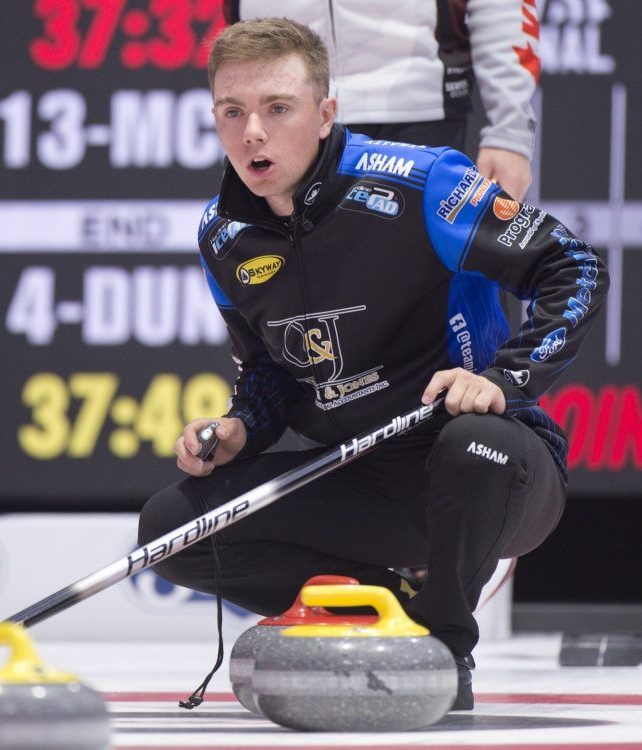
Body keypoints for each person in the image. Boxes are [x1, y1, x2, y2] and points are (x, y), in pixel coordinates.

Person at [138, 18, 606, 712]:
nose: (252, 134)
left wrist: (504, 380)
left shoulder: (424, 184)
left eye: (277, 108)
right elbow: (273, 371)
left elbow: (574, 266)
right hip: (359, 475)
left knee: (473, 445)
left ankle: (443, 654)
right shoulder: (222, 233)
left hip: (493, 468)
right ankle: (380, 612)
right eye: (232, 113)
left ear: (326, 114)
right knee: (168, 529)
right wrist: (242, 426)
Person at [226, 0, 539, 201]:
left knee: (442, 292)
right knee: (285, 292)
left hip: (419, 113)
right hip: (279, 109)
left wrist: (510, 131)